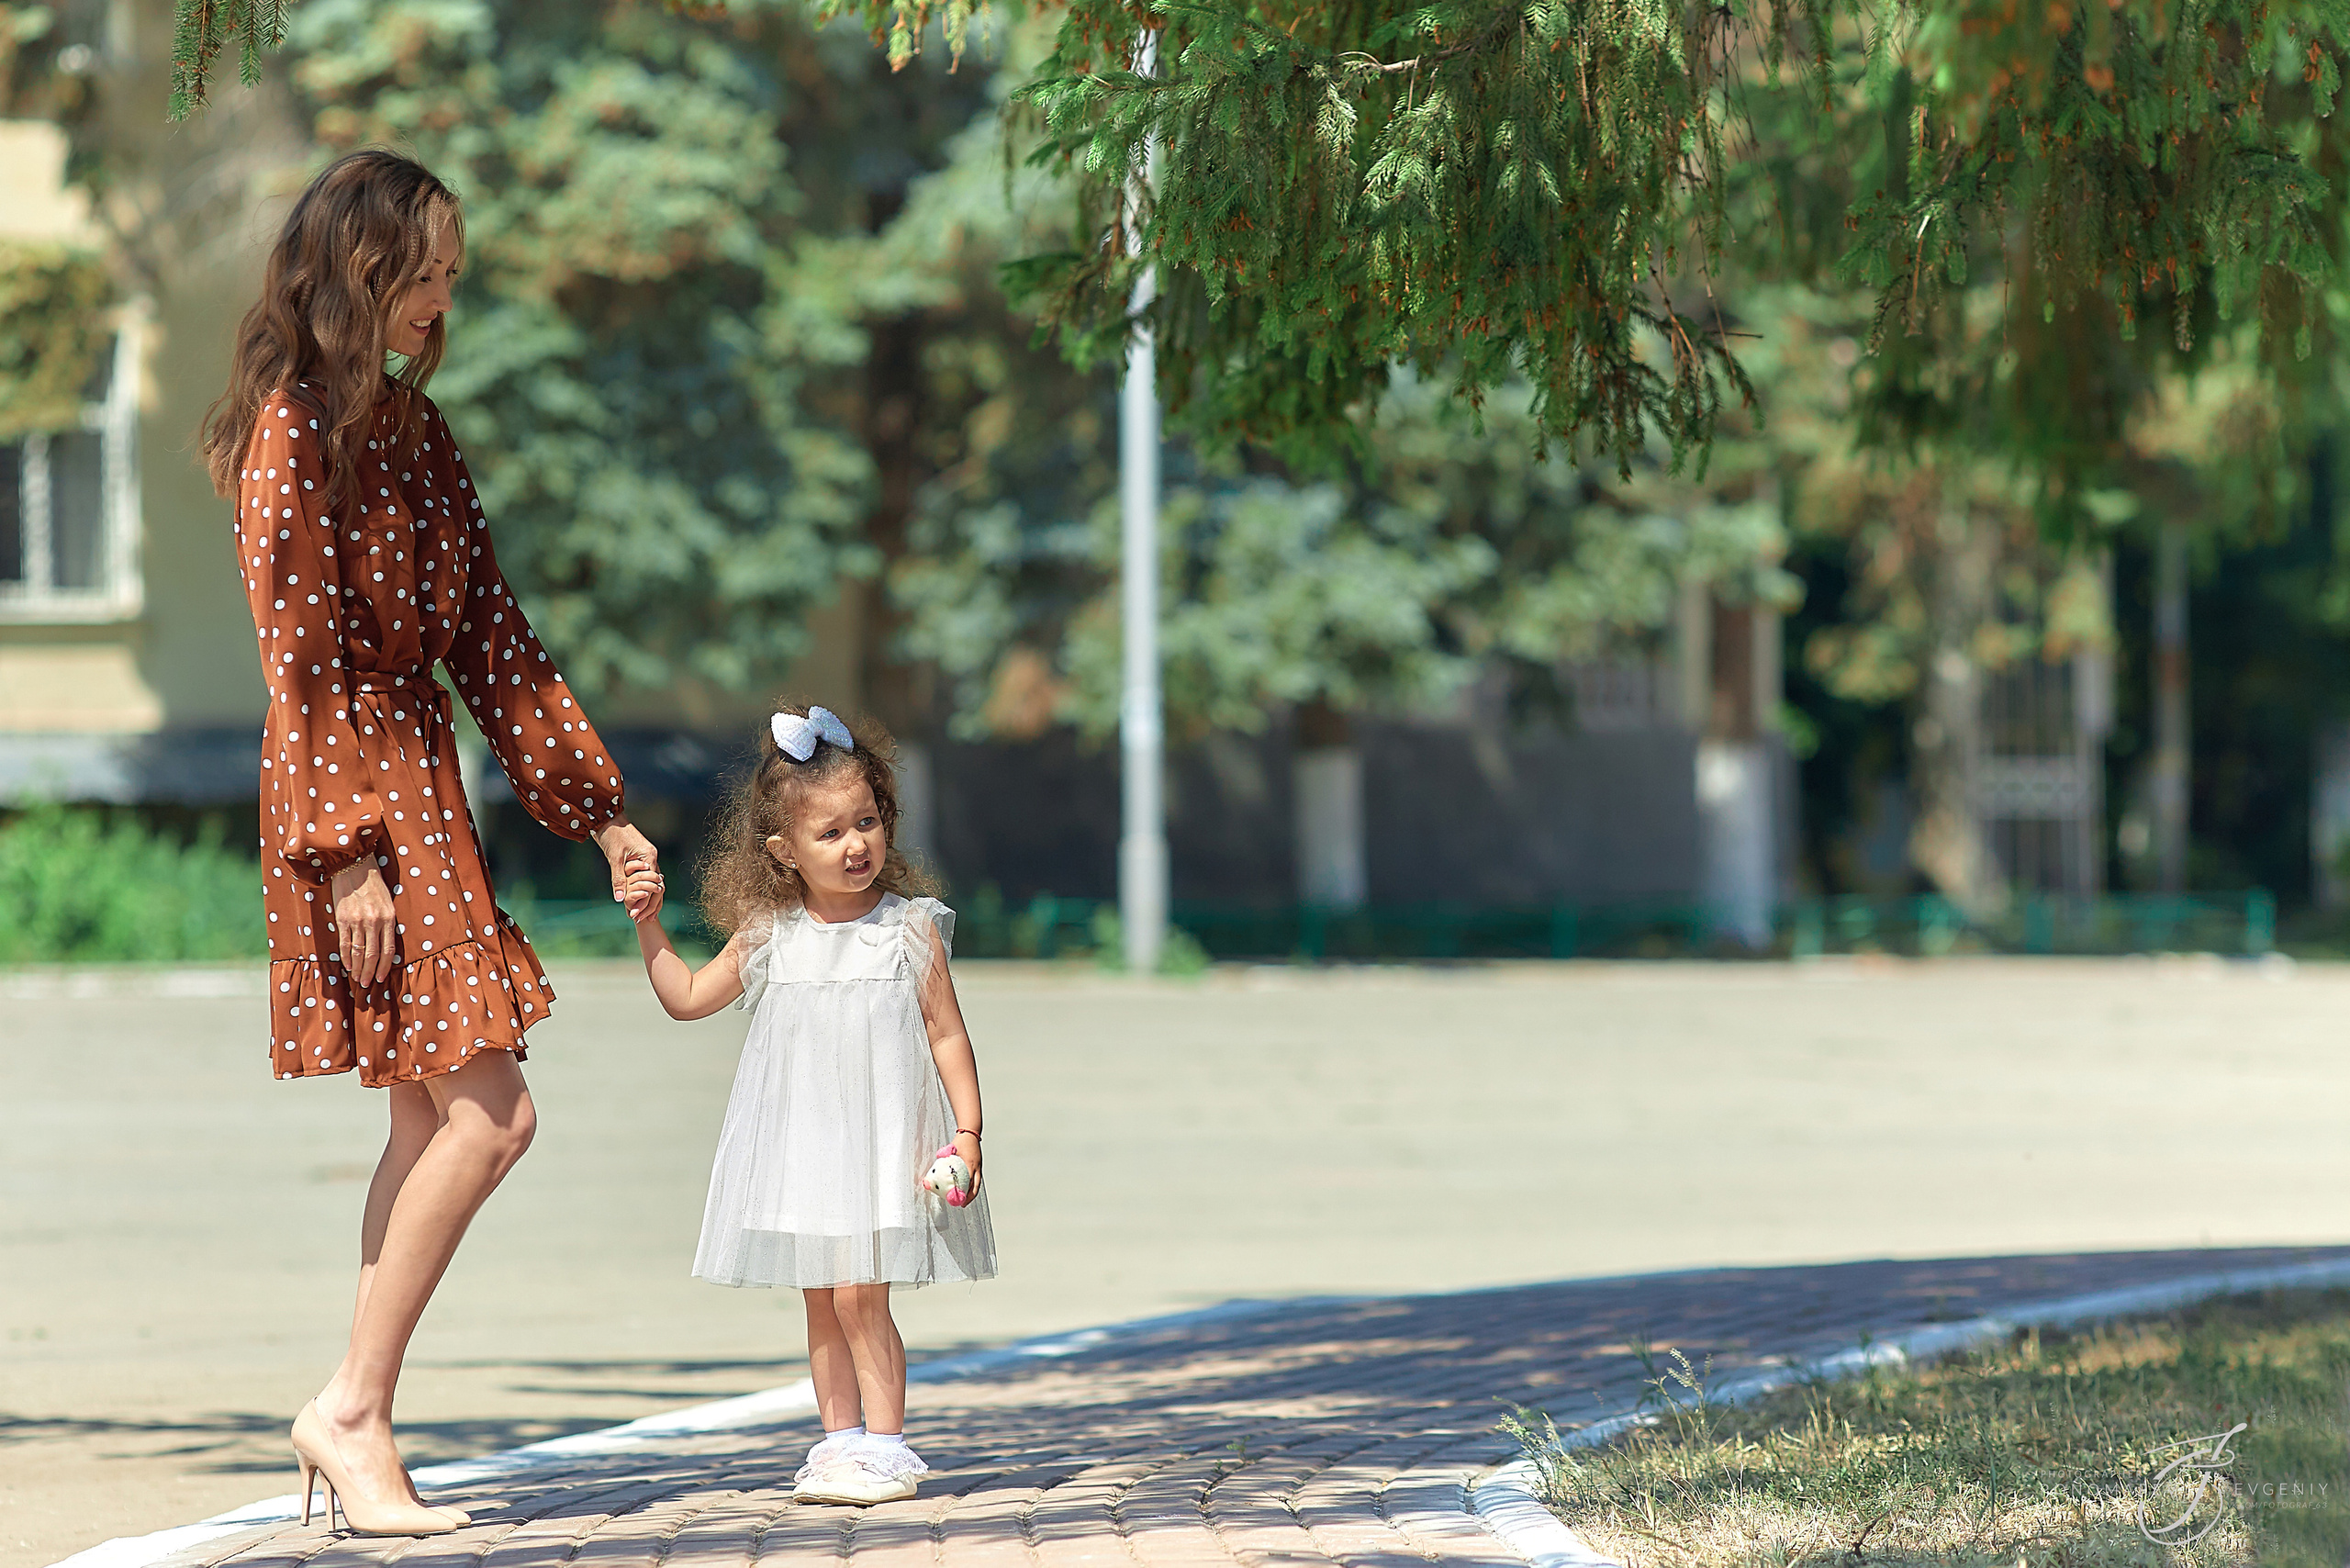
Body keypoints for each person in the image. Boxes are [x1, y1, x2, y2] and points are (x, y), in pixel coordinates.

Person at [202, 149, 664, 1536]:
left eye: (454, 275)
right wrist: (344, 850)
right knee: (493, 1112)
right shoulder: (289, 429)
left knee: (432, 1112)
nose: (443, 297)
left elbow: (491, 637)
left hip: (423, 782)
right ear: (359, 265)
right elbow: (298, 654)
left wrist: (595, 807)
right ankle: (349, 1409)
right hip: (351, 789)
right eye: (428, 270)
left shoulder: (417, 431)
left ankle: (356, 1421)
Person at [622, 702, 995, 1505]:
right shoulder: (770, 931)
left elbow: (947, 1036)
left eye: (867, 822)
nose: (855, 844)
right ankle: (839, 1443)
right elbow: (687, 999)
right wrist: (651, 928)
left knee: (862, 1291)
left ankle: (888, 1446)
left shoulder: (910, 930)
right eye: (830, 833)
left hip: (886, 1141)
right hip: (805, 1143)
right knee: (822, 1298)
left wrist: (966, 1132)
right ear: (782, 852)